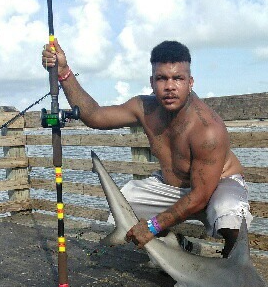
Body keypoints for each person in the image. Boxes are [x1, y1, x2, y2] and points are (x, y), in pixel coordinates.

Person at [42, 39, 252, 257]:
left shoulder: (208, 129)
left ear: (190, 82)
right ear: (152, 82)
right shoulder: (143, 108)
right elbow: (95, 116)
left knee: (230, 212)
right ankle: (176, 247)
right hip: (173, 186)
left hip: (216, 185)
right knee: (125, 204)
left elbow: (200, 195)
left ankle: (234, 268)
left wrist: (153, 225)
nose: (169, 86)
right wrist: (64, 72)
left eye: (178, 78)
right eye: (162, 78)